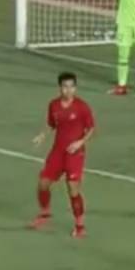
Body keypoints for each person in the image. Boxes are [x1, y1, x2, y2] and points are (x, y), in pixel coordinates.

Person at [31, 72, 96, 238]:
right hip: (58, 151)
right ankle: (45, 213)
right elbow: (51, 124)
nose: (68, 90)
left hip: (75, 153)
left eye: (72, 87)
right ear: (60, 87)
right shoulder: (53, 105)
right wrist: (42, 136)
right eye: (65, 86)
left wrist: (80, 142)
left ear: (75, 88)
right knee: (43, 183)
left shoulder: (82, 107)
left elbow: (91, 129)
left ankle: (80, 225)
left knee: (73, 189)